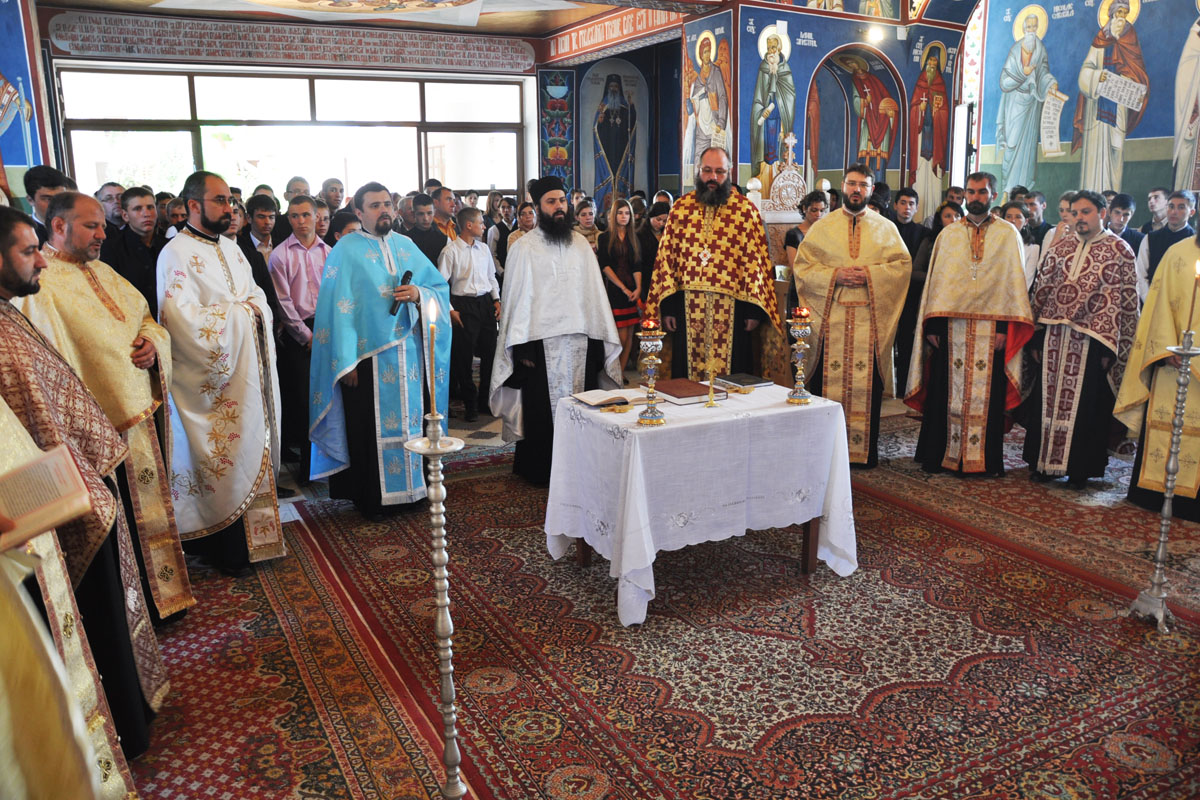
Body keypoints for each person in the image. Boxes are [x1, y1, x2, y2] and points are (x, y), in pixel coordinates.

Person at [0, 205, 168, 760]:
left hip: (74, 471)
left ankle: (122, 717)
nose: (39, 264)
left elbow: (143, 314)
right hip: (38, 500)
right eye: (28, 252)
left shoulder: (8, 311)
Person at [17, 189, 196, 626]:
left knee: (146, 517)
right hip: (94, 433)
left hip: (138, 420)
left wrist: (154, 344)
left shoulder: (105, 271)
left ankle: (163, 599)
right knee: (120, 528)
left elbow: (146, 318)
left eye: (102, 224)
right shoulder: (40, 287)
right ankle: (131, 615)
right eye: (91, 225)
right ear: (59, 227)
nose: (102, 234)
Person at [156, 171, 285, 573]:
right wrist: (245, 316)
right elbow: (180, 320)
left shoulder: (232, 248)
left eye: (230, 200)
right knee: (221, 456)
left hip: (247, 372)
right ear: (193, 205)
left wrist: (252, 313)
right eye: (219, 201)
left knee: (250, 445)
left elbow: (257, 298)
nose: (229, 208)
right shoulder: (175, 253)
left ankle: (255, 543)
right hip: (213, 383)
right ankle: (223, 549)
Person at [309, 182, 450, 519]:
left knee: (412, 422)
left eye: (387, 204)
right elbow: (336, 310)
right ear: (358, 212)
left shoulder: (406, 244)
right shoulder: (346, 250)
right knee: (368, 428)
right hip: (367, 358)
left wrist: (418, 294)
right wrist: (346, 363)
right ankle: (373, 497)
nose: (383, 210)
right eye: (374, 206)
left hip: (410, 355)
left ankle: (415, 491)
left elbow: (438, 289)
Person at [490, 176, 622, 485]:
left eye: (562, 201)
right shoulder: (524, 248)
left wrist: (598, 339)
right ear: (538, 207)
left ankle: (582, 465)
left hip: (581, 341)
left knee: (585, 405)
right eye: (552, 202)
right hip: (539, 347)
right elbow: (517, 303)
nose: (559, 207)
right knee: (541, 413)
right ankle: (541, 470)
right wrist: (522, 348)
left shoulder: (580, 245)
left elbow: (594, 297)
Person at [905, 172, 1034, 475]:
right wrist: (934, 328)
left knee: (987, 399)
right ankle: (940, 455)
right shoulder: (948, 235)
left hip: (992, 333)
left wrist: (1005, 329)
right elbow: (937, 286)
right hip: (951, 330)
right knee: (944, 392)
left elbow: (1012, 287)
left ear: (994, 195)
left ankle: (982, 461)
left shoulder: (1007, 234)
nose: (975, 198)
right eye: (971, 192)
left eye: (982, 192)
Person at [793, 162, 911, 467]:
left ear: (871, 190)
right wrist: (836, 276)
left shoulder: (887, 228)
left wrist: (870, 276)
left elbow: (901, 268)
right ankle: (825, 453)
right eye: (851, 184)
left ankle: (862, 454)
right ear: (843, 187)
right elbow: (803, 269)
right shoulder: (822, 227)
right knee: (824, 384)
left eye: (863, 185)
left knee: (865, 385)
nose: (856, 189)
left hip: (868, 324)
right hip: (830, 323)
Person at [1024, 190, 1138, 487]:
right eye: (1075, 213)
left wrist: (1108, 348)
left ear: (1102, 213)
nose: (1079, 218)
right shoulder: (1060, 248)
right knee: (1045, 404)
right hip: (1052, 338)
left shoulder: (1120, 250)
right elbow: (1042, 291)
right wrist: (1036, 338)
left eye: (1085, 212)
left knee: (1087, 406)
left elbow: (1123, 305)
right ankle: (1044, 464)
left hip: (1092, 343)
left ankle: (1079, 468)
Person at [646, 148, 780, 382]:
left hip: (735, 310)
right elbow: (668, 262)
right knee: (686, 379)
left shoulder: (745, 212)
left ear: (729, 173)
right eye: (707, 171)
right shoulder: (680, 209)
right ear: (698, 171)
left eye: (719, 171)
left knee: (733, 379)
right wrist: (668, 308)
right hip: (686, 309)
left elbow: (756, 266)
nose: (713, 178)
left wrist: (753, 311)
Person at [1115, 230, 1200, 520]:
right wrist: (1167, 348)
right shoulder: (1177, 253)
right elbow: (1157, 305)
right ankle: (1151, 495)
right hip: (1172, 362)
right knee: (1165, 423)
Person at [268, 194, 332, 475]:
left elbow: (335, 294)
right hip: (299, 334)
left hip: (327, 327)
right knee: (306, 400)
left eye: (306, 215)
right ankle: (309, 466)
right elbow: (283, 303)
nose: (301, 221)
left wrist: (328, 333)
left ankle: (332, 460)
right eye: (294, 216)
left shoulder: (328, 252)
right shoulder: (280, 255)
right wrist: (306, 337)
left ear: (317, 217)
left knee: (331, 396)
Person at [1072, 0, 1148, 193]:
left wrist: (1126, 80)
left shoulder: (1130, 38)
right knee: (1095, 152)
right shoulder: (1100, 39)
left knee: (1115, 152)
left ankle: (1112, 197)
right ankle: (1090, 196)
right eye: (1118, 12)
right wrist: (1098, 77)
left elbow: (1138, 73)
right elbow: (1085, 71)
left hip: (1119, 104)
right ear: (1111, 14)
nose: (1121, 17)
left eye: (1125, 13)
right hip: (1097, 105)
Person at [438, 206, 500, 422]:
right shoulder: (451, 251)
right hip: (463, 305)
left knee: (491, 353)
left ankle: (486, 400)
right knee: (464, 357)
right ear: (469, 225)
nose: (484, 226)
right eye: (481, 222)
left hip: (484, 303)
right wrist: (450, 310)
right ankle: (470, 403)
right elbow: (440, 284)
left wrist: (496, 300)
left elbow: (491, 277)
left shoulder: (483, 249)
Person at [996, 11, 1058, 193]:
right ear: (1023, 28)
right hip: (1015, 102)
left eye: (1034, 27)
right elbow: (1004, 81)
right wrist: (1023, 72)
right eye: (1029, 27)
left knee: (1028, 148)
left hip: (1032, 104)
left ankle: (1023, 191)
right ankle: (1007, 190)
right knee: (1012, 144)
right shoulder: (1015, 50)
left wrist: (1051, 83)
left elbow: (1043, 73)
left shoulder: (1040, 48)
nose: (1032, 30)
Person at [99, 186, 167, 318]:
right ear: (125, 215)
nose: (146, 213)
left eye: (150, 207)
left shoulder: (169, 246)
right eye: (137, 209)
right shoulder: (111, 249)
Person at [597, 197, 643, 373]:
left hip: (632, 289)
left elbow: (637, 265)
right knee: (621, 335)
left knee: (630, 334)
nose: (624, 217)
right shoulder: (605, 237)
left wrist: (637, 288)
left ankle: (620, 372)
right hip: (614, 290)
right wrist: (622, 288)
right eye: (620, 213)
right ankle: (612, 371)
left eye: (627, 213)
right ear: (613, 215)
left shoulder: (634, 237)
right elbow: (605, 266)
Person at [893, 187, 930, 391]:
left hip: (911, 294)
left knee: (907, 341)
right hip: (888, 294)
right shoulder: (886, 228)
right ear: (895, 205)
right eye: (903, 203)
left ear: (916, 208)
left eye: (911, 204)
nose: (907, 208)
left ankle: (903, 389)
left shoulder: (922, 233)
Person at [1135, 190, 1196, 303]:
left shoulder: (1195, 242)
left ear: (1191, 212)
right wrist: (1151, 301)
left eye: (1181, 207)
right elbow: (1140, 275)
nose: (1174, 211)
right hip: (1152, 301)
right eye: (1171, 206)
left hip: (1184, 303)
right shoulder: (1150, 238)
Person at [750, 32, 796, 179]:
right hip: (766, 117)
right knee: (765, 149)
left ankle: (779, 176)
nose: (771, 51)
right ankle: (764, 177)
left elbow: (791, 95)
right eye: (769, 48)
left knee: (778, 146)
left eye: (774, 47)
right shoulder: (763, 68)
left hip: (780, 117)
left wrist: (782, 106)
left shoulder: (785, 68)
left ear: (780, 49)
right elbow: (758, 94)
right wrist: (761, 110)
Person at [23, 165, 76, 245]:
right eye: (48, 199)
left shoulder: (78, 227)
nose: (56, 204)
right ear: (30, 200)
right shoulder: (22, 235)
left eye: (60, 197)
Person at [784, 191, 830, 269]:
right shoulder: (793, 235)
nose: (818, 214)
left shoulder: (826, 232)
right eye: (814, 210)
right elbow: (794, 267)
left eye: (821, 210)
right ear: (804, 208)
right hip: (801, 277)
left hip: (823, 277)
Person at [1001, 200, 1040, 288]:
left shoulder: (1033, 249)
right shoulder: (995, 243)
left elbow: (1026, 282)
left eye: (1018, 217)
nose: (1013, 220)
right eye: (1008, 216)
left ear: (1026, 221)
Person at [637, 200, 670, 301]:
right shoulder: (640, 235)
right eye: (658, 219)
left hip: (665, 280)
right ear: (650, 216)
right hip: (648, 279)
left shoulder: (668, 234)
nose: (661, 223)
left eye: (665, 221)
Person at [407, 192, 449, 267]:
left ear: (434, 213)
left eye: (429, 213)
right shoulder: (406, 240)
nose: (426, 219)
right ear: (413, 214)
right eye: (421, 214)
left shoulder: (444, 240)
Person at [487, 196, 516, 276]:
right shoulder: (494, 230)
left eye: (509, 207)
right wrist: (501, 271)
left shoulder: (521, 227)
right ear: (499, 210)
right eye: (503, 208)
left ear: (515, 210)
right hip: (502, 272)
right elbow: (492, 254)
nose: (506, 210)